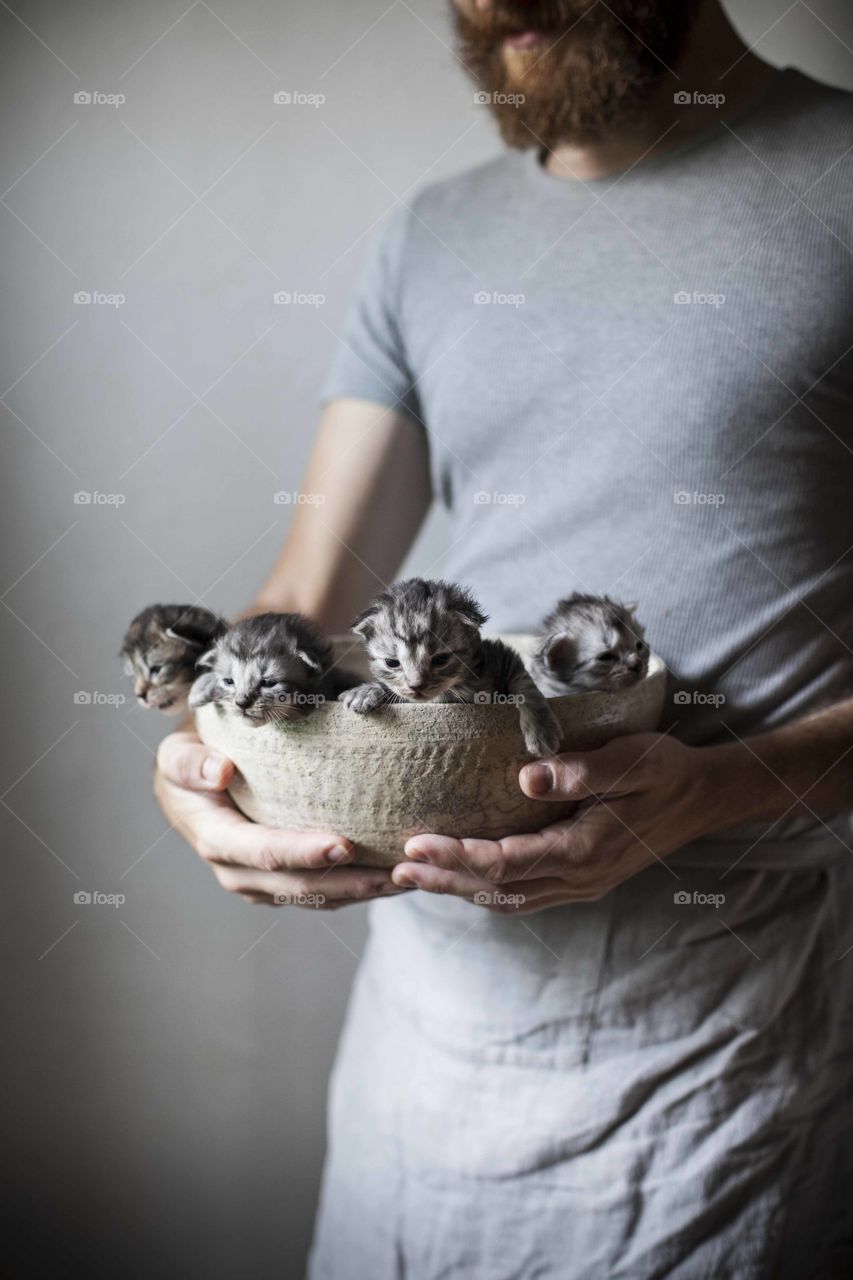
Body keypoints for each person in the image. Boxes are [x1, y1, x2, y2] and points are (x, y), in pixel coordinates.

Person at [154, 1, 853, 1274]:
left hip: (727, 1046)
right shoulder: (431, 237)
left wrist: (708, 791)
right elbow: (306, 592)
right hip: (421, 1031)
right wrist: (206, 760)